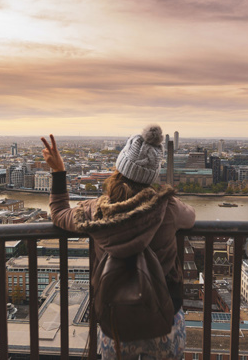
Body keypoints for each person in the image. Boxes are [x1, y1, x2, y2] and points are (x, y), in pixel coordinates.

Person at [41, 124, 196, 360]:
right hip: (165, 318)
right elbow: (192, 216)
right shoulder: (168, 207)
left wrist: (59, 171)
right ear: (152, 176)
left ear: (119, 170)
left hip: (115, 321)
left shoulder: (95, 210)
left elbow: (59, 213)